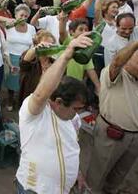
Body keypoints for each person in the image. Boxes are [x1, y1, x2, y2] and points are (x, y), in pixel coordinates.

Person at [16, 33, 92, 194]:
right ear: (58, 102)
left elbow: (70, 147)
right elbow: (40, 94)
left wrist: (76, 172)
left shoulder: (73, 119)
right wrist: (65, 56)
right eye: (76, 108)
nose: (78, 114)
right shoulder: (34, 114)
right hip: (34, 189)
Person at [86, 41, 138, 193]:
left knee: (119, 175)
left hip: (134, 139)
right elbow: (116, 62)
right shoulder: (114, 73)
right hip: (112, 135)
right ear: (127, 59)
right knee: (97, 174)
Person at [4, 4, 36, 111]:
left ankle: (21, 101)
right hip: (11, 56)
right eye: (21, 15)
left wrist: (29, 56)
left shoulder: (31, 28)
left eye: (26, 16)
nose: (23, 18)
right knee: (11, 81)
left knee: (24, 81)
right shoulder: (9, 26)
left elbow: (33, 43)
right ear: (15, 15)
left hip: (25, 58)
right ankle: (10, 98)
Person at [19, 30, 57, 105]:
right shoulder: (32, 61)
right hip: (30, 102)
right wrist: (36, 49)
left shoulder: (54, 63)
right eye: (45, 44)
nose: (49, 47)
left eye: (52, 44)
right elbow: (24, 63)